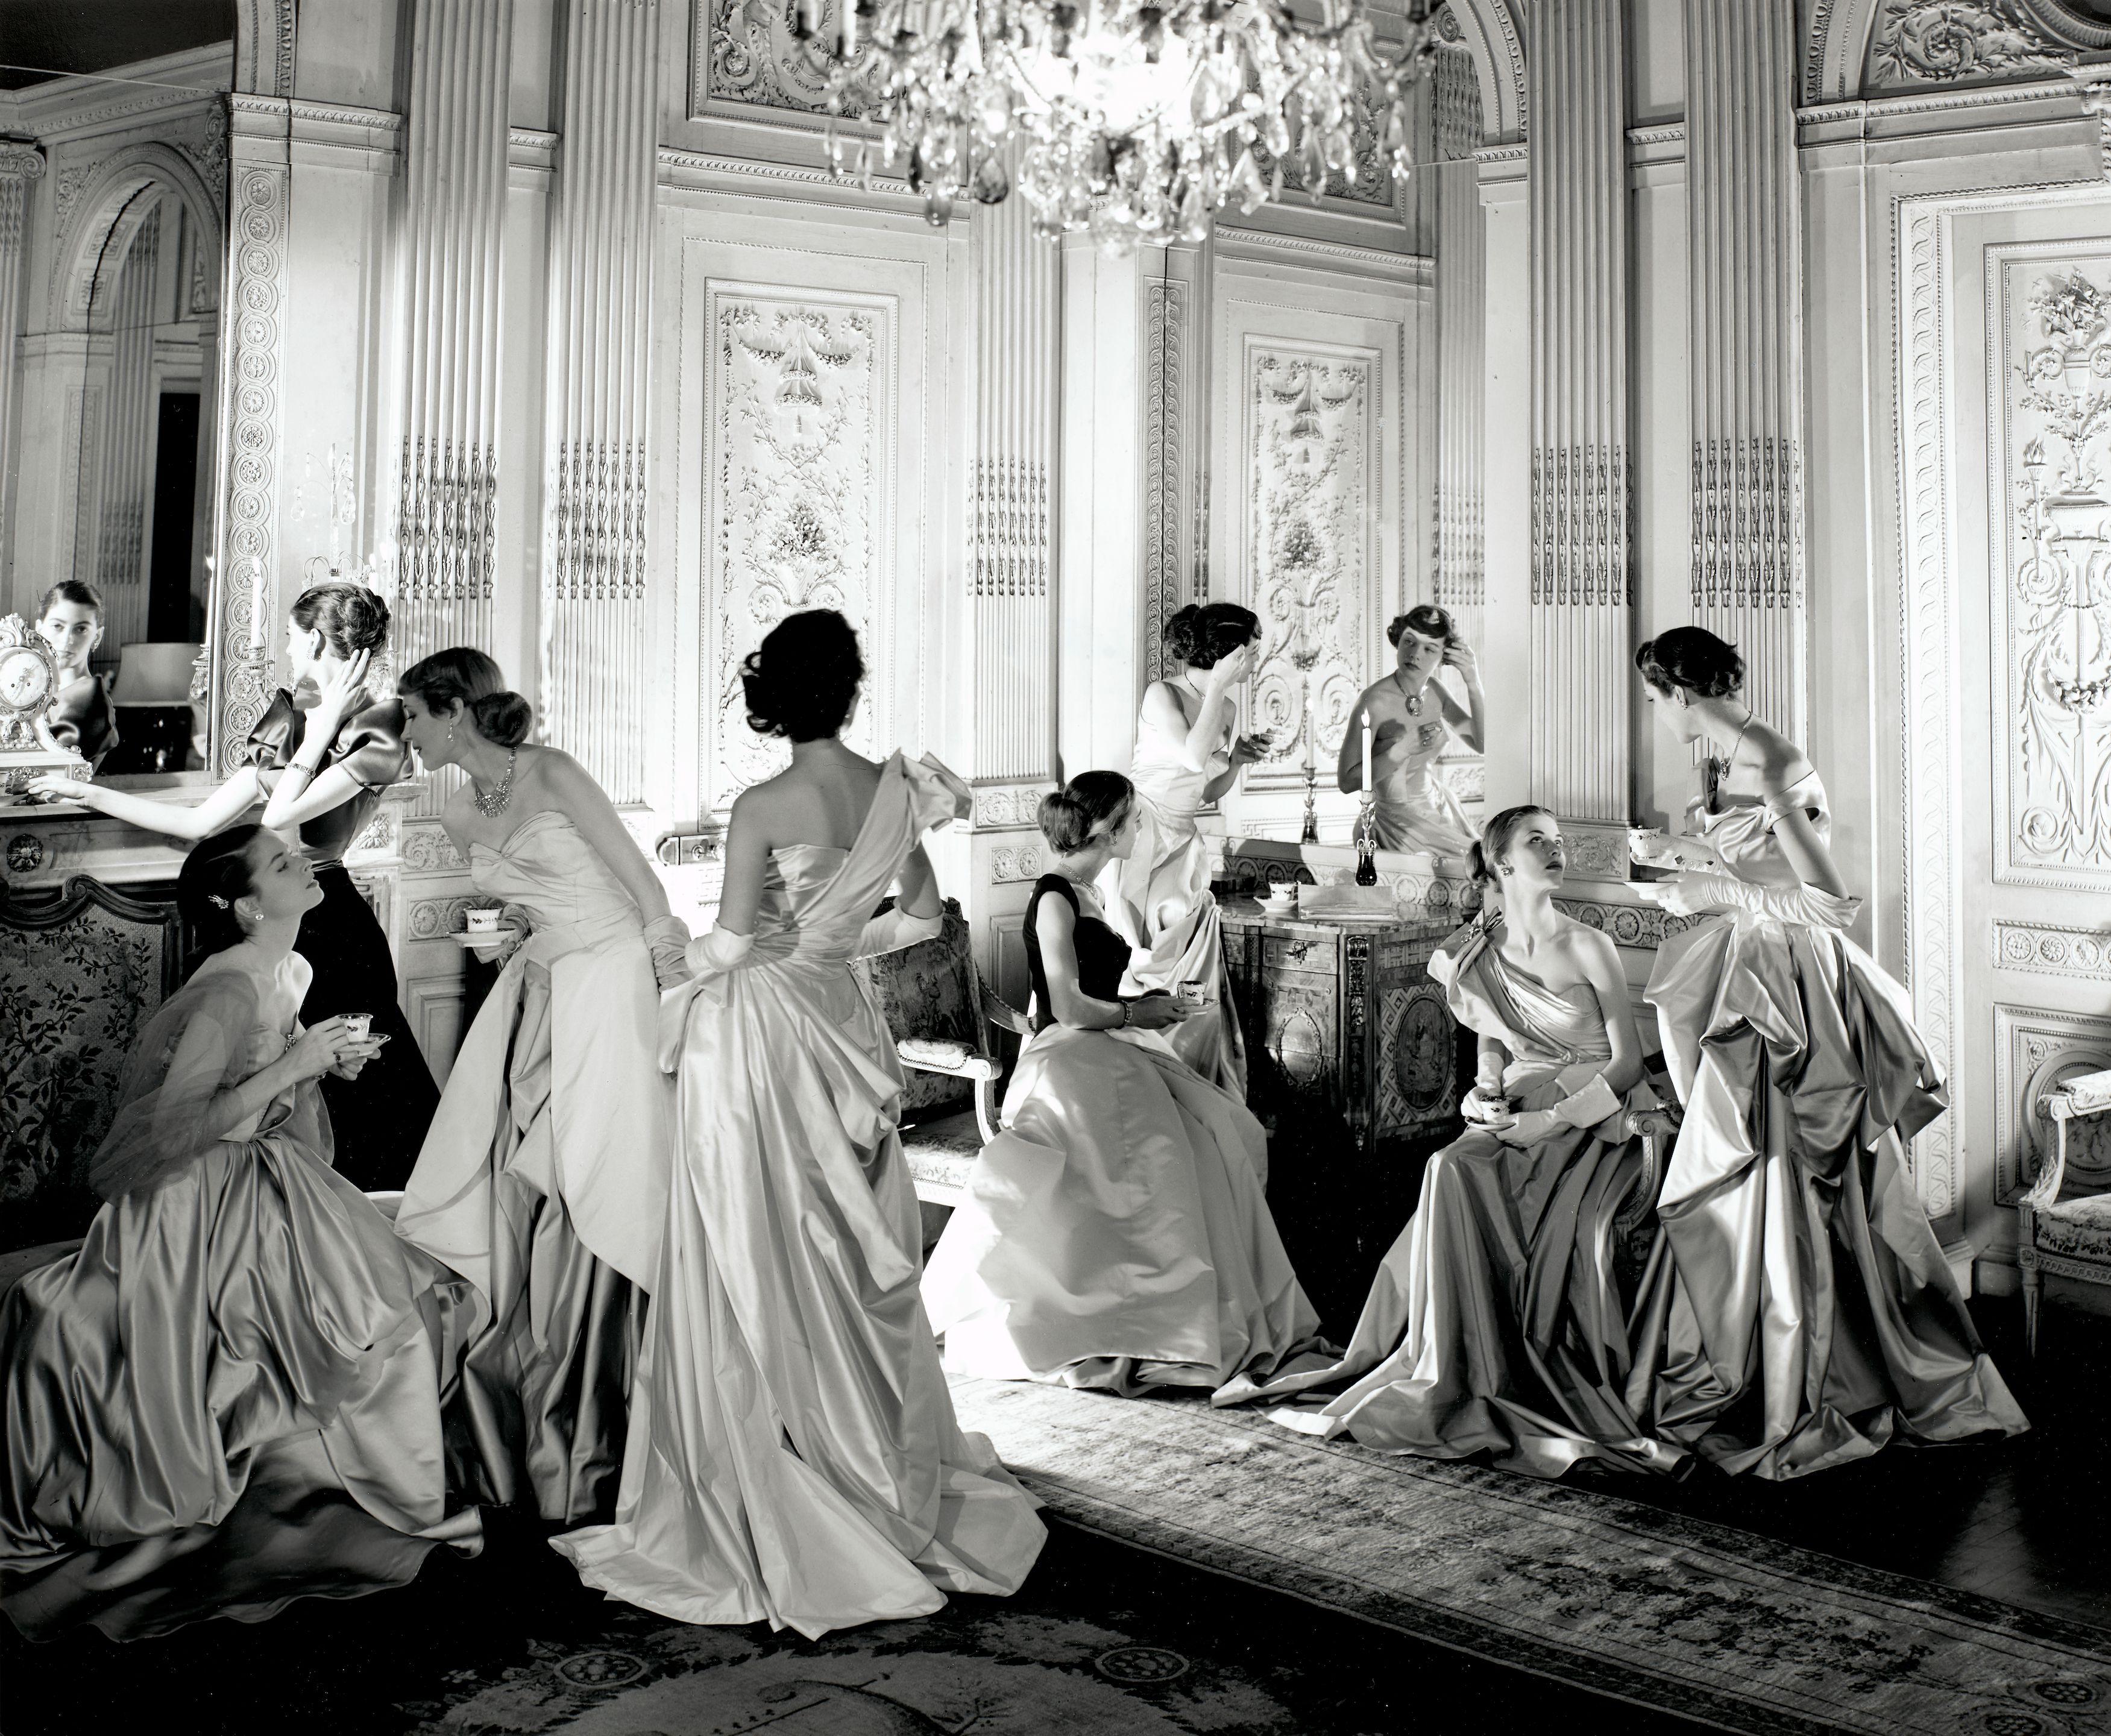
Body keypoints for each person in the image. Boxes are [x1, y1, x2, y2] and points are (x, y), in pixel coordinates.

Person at [553, 610, 1045, 1639]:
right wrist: (823, 941)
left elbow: (732, 944)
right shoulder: (893, 794)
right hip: (840, 1024)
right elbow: (917, 920)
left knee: (753, 1248)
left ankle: (772, 1468)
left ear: (774, 693)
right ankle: (870, 1460)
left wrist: (672, 960)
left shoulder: (763, 803)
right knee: (844, 1248)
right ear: (853, 689)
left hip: (759, 1040)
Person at [0, 825, 480, 1641]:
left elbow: (265, 1094)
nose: (307, 864)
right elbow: (173, 1132)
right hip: (198, 1197)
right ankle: (325, 1488)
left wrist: (319, 1067)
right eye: (286, 862)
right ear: (251, 904)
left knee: (401, 1290)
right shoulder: (226, 991)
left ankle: (367, 1465)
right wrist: (291, 1069)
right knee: (337, 1319)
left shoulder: (289, 966)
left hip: (261, 1173)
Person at [1629, 626, 2028, 1478]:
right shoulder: (1736, 757)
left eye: (1655, 700)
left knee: (1782, 1166)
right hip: (1750, 962)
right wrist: (1679, 855)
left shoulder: (1770, 761)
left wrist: (1707, 887)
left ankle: (1807, 1375)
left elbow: (1828, 904)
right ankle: (1761, 1362)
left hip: (1789, 984)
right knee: (1756, 1167)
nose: (1657, 716)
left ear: (1679, 693)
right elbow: (1763, 861)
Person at [1216, 807, 1681, 1477]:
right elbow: (1491, 1042)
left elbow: (1629, 1065)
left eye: (1556, 841)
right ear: (1501, 863)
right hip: (1519, 1101)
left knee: (1484, 1174)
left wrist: (1550, 1121)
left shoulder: (1588, 945)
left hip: (1596, 1112)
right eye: (1535, 842)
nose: (1554, 851)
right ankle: (1455, 1365)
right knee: (1447, 1167)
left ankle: (1511, 1371)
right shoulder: (1479, 948)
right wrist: (1482, 1088)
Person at [389, 648, 687, 1527]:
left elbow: (643, 886)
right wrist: (511, 929)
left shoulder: (551, 770)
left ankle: (611, 1414)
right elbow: (524, 908)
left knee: (601, 1183)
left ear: (450, 712)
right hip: (540, 991)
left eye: (410, 716)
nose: (404, 735)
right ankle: (549, 1402)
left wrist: (678, 996)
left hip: (614, 986)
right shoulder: (454, 806)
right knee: (533, 1190)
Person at [924, 770, 1325, 1397]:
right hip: (1069, 1057)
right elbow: (1066, 1005)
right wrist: (1142, 1015)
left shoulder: (1091, 894)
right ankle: (1139, 1317)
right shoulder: (1055, 897)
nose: (1140, 830)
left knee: (1223, 1128)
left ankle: (1187, 1311)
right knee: (1167, 1148)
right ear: (1109, 830)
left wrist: (1149, 1005)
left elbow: (1092, 994)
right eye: (1134, 820)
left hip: (1105, 1045)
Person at [30, 582, 440, 1191]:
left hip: (330, 918)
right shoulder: (291, 720)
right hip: (268, 916)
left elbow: (280, 819)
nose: (285, 646)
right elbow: (198, 823)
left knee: (357, 1086)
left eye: (291, 635)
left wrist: (325, 726)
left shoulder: (374, 732)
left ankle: (349, 1236)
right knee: (261, 1073)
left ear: (316, 640)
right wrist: (86, 792)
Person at [1111, 602, 1271, 1093]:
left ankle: (1185, 1082)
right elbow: (1189, 754)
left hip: (1184, 835)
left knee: (1188, 971)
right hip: (1142, 830)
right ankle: (1134, 1073)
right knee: (1141, 953)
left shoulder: (1226, 707)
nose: (1256, 661)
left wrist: (1237, 761)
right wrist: (1220, 684)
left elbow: (1202, 787)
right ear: (1229, 653)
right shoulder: (1164, 694)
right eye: (1252, 650)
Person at [1337, 604, 1482, 857]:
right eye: (1410, 641)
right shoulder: (1374, 701)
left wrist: (1473, 682)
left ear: (1443, 657)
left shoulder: (1436, 692)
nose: (1415, 654)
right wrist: (1401, 750)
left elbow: (1481, 744)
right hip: (1395, 824)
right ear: (1398, 639)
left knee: (1482, 867)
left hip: (1437, 808)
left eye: (1430, 649)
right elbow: (1347, 782)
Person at [33, 579, 119, 770]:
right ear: (39, 628)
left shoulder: (89, 698)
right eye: (58, 626)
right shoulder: (34, 688)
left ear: (97, 636)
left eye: (81, 629)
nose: (67, 640)